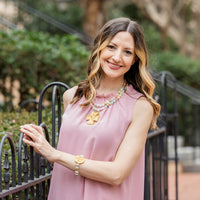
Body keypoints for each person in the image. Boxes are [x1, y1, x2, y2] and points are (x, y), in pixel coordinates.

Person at [20, 17, 160, 200]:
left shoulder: (140, 107)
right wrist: (41, 143)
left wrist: (54, 154)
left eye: (127, 52)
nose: (117, 57)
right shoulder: (72, 96)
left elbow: (117, 174)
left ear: (135, 59)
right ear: (99, 47)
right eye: (111, 46)